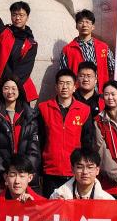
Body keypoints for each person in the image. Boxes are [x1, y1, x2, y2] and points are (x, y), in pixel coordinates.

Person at [37, 68, 95, 196]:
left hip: (74, 171)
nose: (65, 87)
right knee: (51, 207)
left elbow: (88, 141)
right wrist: (39, 170)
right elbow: (39, 141)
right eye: (61, 83)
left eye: (68, 83)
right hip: (50, 171)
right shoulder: (44, 108)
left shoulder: (84, 110)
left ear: (74, 87)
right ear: (56, 87)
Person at [0, 77, 40, 198]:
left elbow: (34, 148)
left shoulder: (29, 115)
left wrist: (23, 172)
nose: (10, 92)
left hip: (23, 180)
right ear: (1, 91)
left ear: (19, 90)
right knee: (1, 209)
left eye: (13, 88)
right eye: (6, 88)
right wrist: (6, 173)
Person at [0, 0, 39, 100]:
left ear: (27, 17)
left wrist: (10, 88)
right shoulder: (3, 33)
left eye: (21, 15)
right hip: (0, 87)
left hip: (18, 89)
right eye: (14, 14)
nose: (17, 18)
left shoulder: (31, 43)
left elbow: (24, 70)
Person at [60, 9, 115, 85]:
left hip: (100, 90)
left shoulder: (104, 48)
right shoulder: (67, 50)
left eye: (87, 22)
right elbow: (63, 75)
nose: (84, 25)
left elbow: (113, 69)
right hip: (77, 90)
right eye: (81, 22)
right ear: (76, 26)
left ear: (93, 26)